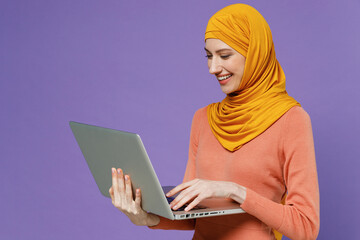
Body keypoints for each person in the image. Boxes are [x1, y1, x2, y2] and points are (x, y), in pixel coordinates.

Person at [109, 3, 320, 240]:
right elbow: (192, 215)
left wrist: (235, 191)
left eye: (225, 55)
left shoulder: (291, 119)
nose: (213, 68)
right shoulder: (203, 119)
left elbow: (306, 227)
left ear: (254, 53)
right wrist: (147, 218)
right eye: (209, 56)